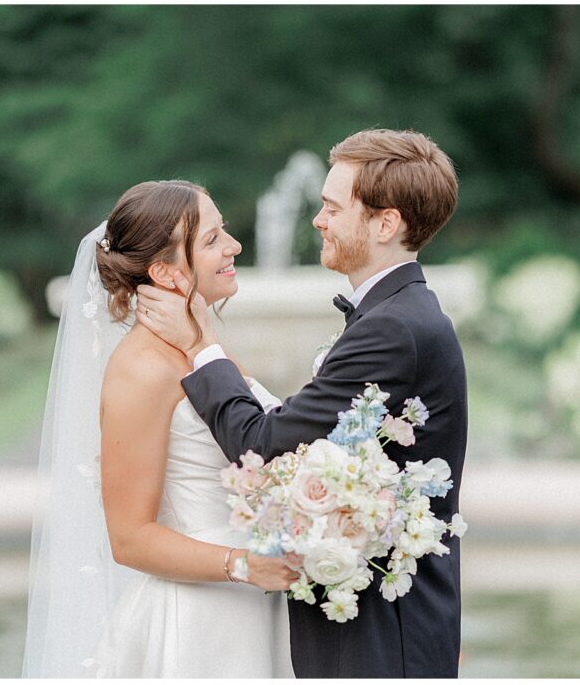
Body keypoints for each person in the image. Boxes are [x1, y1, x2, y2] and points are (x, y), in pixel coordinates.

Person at [136, 129, 467, 678]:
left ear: (386, 224)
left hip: (382, 639)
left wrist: (198, 345)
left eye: (333, 208)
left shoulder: (393, 328)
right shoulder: (396, 316)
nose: (318, 220)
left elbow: (264, 445)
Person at [22, 180, 296, 678]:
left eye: (225, 232)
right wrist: (243, 564)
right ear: (164, 271)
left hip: (259, 602)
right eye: (212, 240)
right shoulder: (142, 369)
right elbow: (129, 538)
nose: (233, 246)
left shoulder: (202, 348)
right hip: (202, 619)